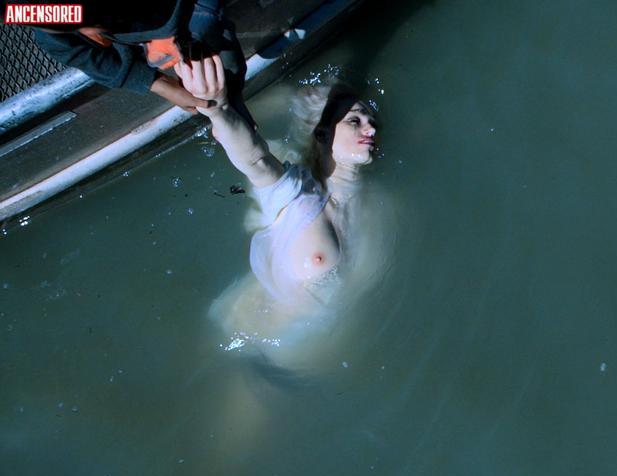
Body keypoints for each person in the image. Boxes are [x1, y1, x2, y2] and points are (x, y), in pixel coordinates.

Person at [179, 54, 377, 314]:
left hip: (326, 334)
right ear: (322, 134)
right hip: (253, 334)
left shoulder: (376, 205)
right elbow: (256, 160)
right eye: (354, 120)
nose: (371, 129)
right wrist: (217, 109)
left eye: (372, 122)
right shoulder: (298, 196)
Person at [27, 0, 255, 125]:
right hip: (146, 29)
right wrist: (158, 84)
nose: (92, 32)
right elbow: (82, 55)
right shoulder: (47, 23)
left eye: (96, 22)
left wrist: (230, 96)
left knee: (207, 30)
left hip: (185, 13)